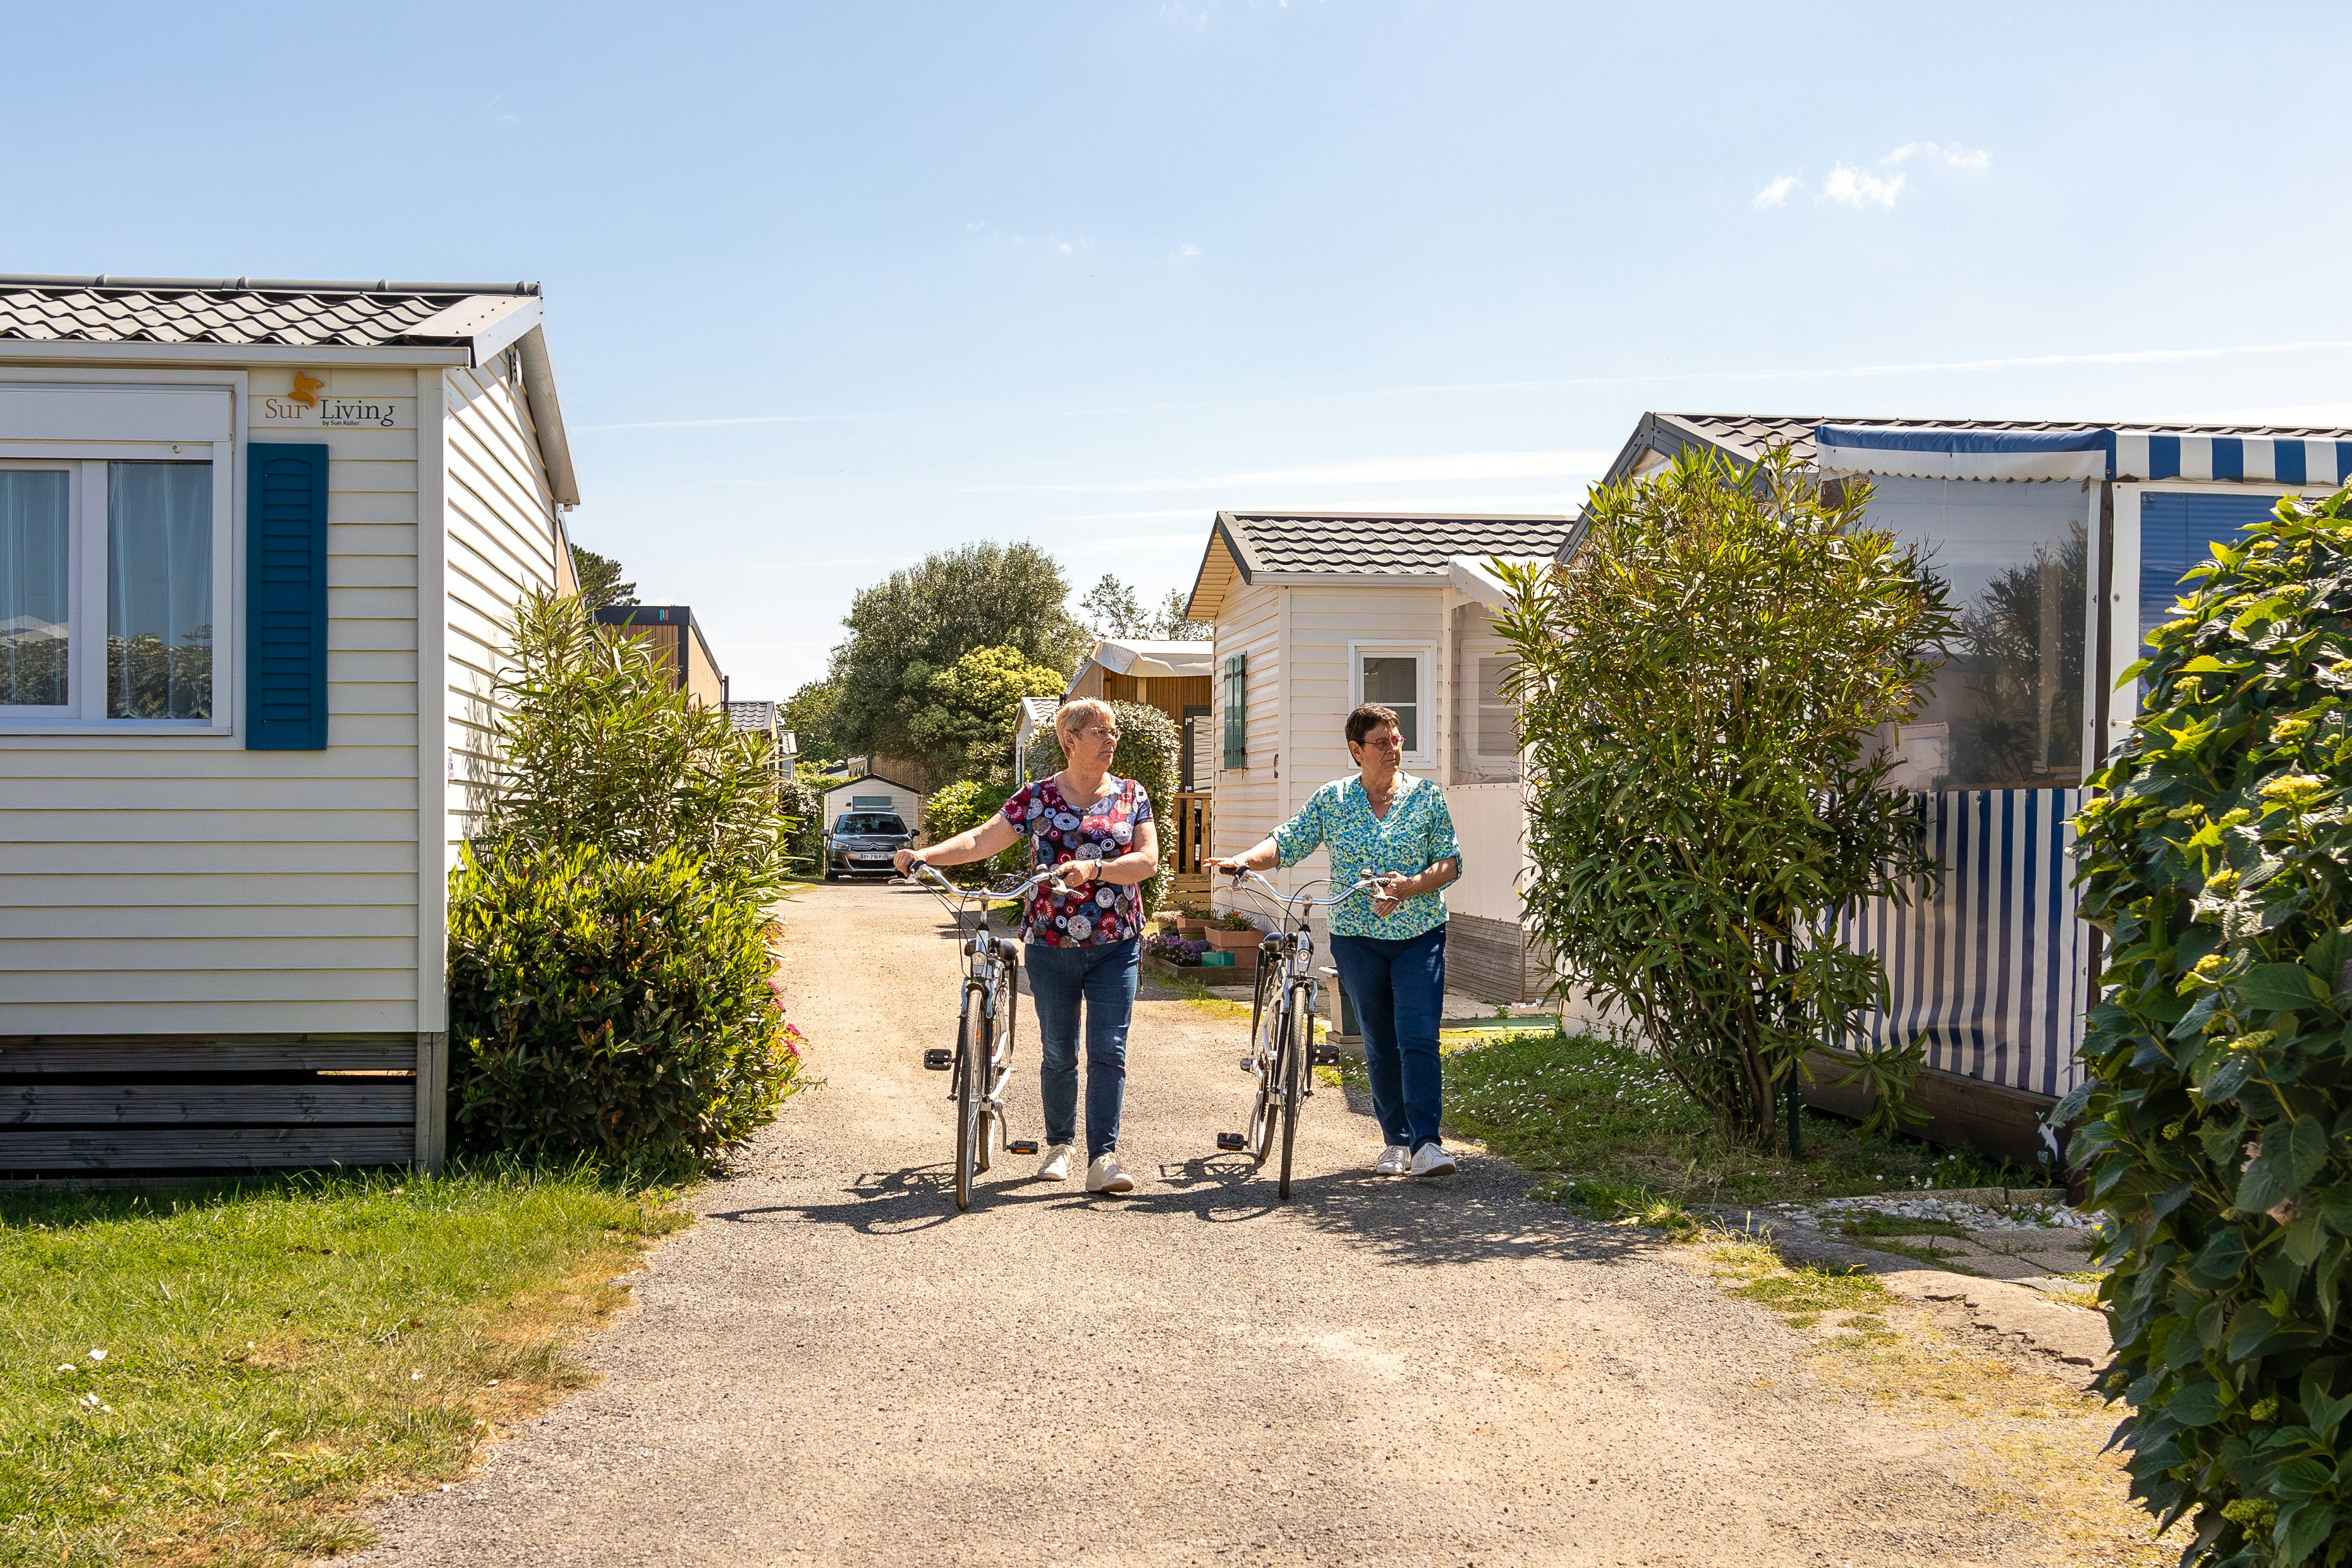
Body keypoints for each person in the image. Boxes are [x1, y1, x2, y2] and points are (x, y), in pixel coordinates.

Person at [895, 697, 1157, 1195]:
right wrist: (924, 855)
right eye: (1099, 731)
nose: (1110, 739)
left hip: (1115, 942)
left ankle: (1103, 1157)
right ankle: (1060, 1145)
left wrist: (1095, 869)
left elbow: (1146, 861)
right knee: (1059, 1051)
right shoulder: (1036, 796)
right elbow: (981, 839)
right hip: (1050, 942)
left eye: (1113, 731)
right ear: (1069, 740)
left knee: (1109, 1050)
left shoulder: (1130, 794)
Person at [1207, 703, 1461, 1178]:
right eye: (1381, 741)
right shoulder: (1334, 798)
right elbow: (1286, 841)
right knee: (1379, 1040)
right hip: (1356, 938)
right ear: (1355, 749)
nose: (1392, 747)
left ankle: (1428, 1143)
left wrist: (1408, 885)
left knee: (1418, 1036)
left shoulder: (1426, 797)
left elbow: (1449, 863)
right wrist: (1243, 858)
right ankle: (1396, 1143)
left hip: (1419, 935)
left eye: (1396, 738)